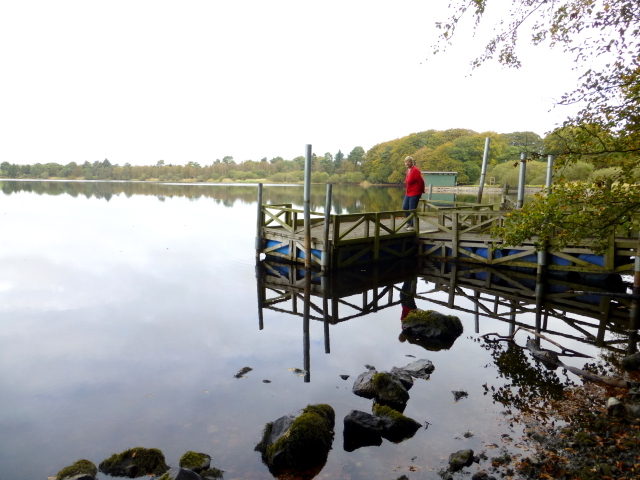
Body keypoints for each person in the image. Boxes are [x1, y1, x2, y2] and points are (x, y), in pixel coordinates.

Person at [402, 156, 425, 231]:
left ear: (412, 162)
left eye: (409, 161)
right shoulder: (408, 170)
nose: (407, 163)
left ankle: (412, 226)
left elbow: (421, 181)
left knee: (412, 209)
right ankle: (408, 222)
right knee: (405, 207)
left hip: (415, 192)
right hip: (408, 192)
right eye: (406, 162)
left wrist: (422, 191)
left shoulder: (415, 170)